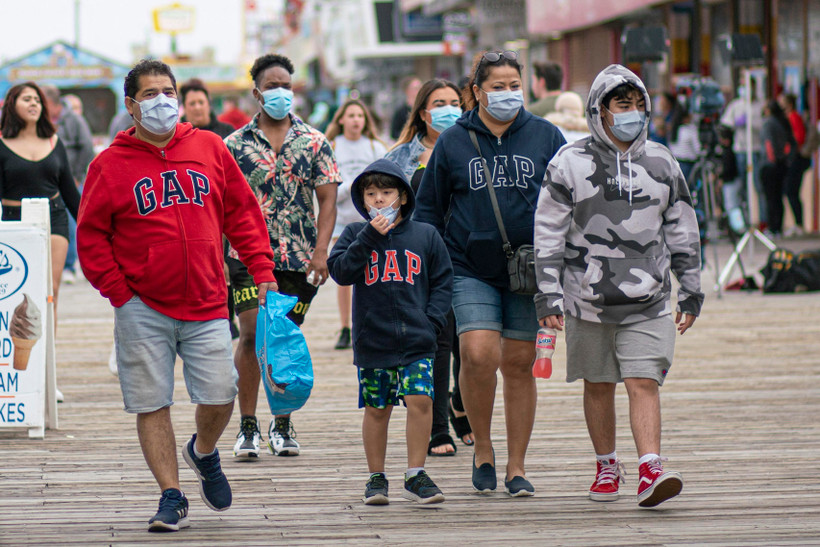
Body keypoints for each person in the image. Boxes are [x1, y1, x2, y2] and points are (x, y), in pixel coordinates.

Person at [76, 59, 277, 532]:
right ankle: (171, 494)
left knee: (223, 392)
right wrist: (119, 292)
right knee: (152, 403)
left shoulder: (208, 146)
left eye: (168, 91)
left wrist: (261, 265)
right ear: (131, 105)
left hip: (207, 299)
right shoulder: (109, 164)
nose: (163, 100)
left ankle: (202, 452)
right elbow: (90, 237)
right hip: (142, 304)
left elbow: (242, 212)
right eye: (150, 94)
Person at [534, 64, 703, 508]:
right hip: (585, 298)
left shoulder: (663, 161)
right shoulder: (569, 163)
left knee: (642, 379)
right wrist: (547, 293)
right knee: (598, 383)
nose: (632, 113)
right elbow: (547, 232)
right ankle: (607, 463)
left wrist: (691, 288)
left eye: (638, 105)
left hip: (649, 299)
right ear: (600, 111)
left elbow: (683, 227)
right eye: (621, 105)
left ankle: (651, 467)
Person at [414, 49, 566, 496]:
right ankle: (483, 447)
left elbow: (567, 204)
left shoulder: (545, 136)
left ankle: (516, 466)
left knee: (519, 365)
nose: (507, 94)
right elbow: (429, 211)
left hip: (530, 271)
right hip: (467, 266)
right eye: (497, 87)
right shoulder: (454, 142)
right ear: (476, 92)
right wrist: (430, 270)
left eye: (514, 85)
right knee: (478, 354)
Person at [224, 53, 340, 460]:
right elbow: (221, 203)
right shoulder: (234, 146)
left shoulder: (314, 141)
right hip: (245, 255)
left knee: (284, 337)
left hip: (298, 256)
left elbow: (327, 201)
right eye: (272, 86)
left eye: (286, 86)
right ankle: (248, 426)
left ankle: (284, 423)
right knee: (253, 333)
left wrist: (322, 251)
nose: (280, 93)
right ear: (256, 92)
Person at [327, 158, 453, 505]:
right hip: (374, 339)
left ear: (403, 196)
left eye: (386, 192)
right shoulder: (355, 234)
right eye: (371, 194)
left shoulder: (425, 234)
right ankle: (376, 477)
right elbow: (340, 271)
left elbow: (443, 281)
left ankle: (415, 473)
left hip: (418, 338)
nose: (379, 200)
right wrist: (369, 236)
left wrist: (432, 322)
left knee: (420, 400)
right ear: (362, 200)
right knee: (377, 408)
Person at [386, 78, 469, 456]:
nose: (449, 109)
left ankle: (460, 404)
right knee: (439, 342)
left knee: (472, 346)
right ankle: (438, 429)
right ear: (423, 112)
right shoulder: (401, 157)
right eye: (440, 103)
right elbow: (383, 208)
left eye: (455, 102)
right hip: (420, 264)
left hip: (470, 257)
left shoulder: (474, 146)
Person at [0, 82, 81, 332]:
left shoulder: (53, 141)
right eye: (26, 99)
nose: (34, 103)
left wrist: (92, 226)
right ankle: (26, 367)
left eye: (37, 99)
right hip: (15, 222)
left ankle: (48, 365)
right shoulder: (1, 144)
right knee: (21, 295)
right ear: (12, 105)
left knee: (50, 292)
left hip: (53, 217)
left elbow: (69, 190)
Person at [325, 99, 387, 350]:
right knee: (345, 275)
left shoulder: (374, 147)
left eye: (360, 115)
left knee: (375, 272)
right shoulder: (333, 147)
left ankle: (373, 322)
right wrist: (354, 187)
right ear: (341, 119)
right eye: (350, 115)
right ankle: (345, 326)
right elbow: (332, 190)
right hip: (342, 223)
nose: (355, 120)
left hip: (373, 222)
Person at [41, 84, 95, 285]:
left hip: (71, 180)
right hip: (50, 181)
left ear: (51, 103)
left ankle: (70, 265)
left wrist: (77, 175)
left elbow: (87, 147)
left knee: (72, 223)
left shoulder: (73, 120)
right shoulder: (43, 121)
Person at [721, 81, 766, 229]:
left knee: (759, 186)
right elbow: (726, 123)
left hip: (755, 148)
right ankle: (743, 222)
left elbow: (762, 126)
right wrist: (736, 123)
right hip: (740, 150)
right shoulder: (736, 105)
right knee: (743, 188)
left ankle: (763, 221)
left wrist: (750, 123)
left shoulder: (759, 106)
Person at [759, 99, 795, 237]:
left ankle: (773, 227)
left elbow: (768, 143)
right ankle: (778, 226)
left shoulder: (768, 123)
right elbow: (789, 143)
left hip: (770, 164)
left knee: (770, 197)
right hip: (781, 163)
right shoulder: (782, 122)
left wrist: (771, 159)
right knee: (778, 197)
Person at [778, 93, 810, 237]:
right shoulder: (789, 118)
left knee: (791, 191)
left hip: (796, 160)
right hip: (792, 159)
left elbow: (798, 138)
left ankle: (799, 224)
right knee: (790, 192)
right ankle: (797, 223)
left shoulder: (794, 117)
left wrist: (787, 150)